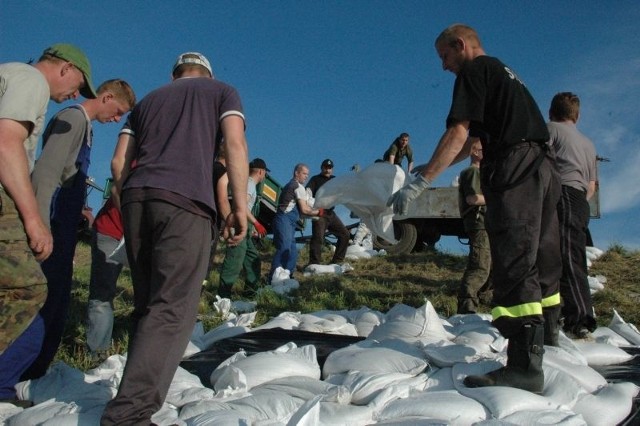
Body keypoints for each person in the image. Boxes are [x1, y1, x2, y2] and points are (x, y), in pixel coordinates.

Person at [388, 24, 561, 393]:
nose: (444, 67)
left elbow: (459, 131)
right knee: (543, 255)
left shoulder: (474, 71)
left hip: (515, 164)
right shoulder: (503, 73)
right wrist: (435, 165)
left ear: (460, 46)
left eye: (444, 56)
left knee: (514, 257)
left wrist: (422, 181)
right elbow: (471, 142)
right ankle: (549, 338)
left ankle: (524, 367)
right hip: (542, 167)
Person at [100, 52, 248, 425]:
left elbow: (119, 162)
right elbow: (234, 144)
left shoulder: (149, 101)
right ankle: (128, 415)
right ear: (208, 74)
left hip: (137, 199)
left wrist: (128, 197)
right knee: (172, 309)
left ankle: (131, 395)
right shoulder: (222, 92)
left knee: (148, 306)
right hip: (186, 203)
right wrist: (240, 206)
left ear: (174, 74)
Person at [0, 43, 95, 406]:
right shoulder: (31, 81)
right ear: (66, 68)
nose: (73, 95)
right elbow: (8, 145)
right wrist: (34, 220)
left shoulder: (9, 72)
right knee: (28, 288)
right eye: (78, 86)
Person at [23, 79, 135, 380]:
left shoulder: (87, 128)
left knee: (56, 300)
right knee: (42, 301)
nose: (115, 120)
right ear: (107, 96)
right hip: (52, 225)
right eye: (117, 112)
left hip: (64, 227)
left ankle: (34, 372)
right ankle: (15, 376)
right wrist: (40, 226)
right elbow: (46, 175)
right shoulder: (73, 118)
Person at [548, 92, 598, 342]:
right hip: (580, 200)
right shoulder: (588, 144)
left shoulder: (550, 130)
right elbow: (592, 185)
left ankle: (580, 319)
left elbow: (538, 163)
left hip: (562, 194)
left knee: (566, 258)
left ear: (551, 112)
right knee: (568, 256)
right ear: (577, 116)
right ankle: (563, 314)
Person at [84, 126, 133, 361]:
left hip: (141, 241)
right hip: (111, 232)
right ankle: (97, 354)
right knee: (102, 295)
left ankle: (138, 350)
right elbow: (116, 188)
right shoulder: (141, 161)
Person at [218, 158, 269, 298]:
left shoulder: (248, 184)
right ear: (261, 171)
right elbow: (242, 207)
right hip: (239, 226)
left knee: (254, 259)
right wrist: (256, 223)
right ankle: (222, 298)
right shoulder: (250, 185)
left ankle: (250, 294)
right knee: (234, 261)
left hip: (246, 228)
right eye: (265, 173)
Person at [269, 163, 325, 281]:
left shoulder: (290, 186)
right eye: (304, 173)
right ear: (296, 173)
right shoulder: (297, 187)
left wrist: (314, 214)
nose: (306, 177)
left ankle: (287, 276)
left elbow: (301, 212)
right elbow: (305, 209)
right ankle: (273, 278)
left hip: (288, 222)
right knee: (284, 248)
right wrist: (318, 212)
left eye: (307, 174)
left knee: (293, 252)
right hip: (284, 220)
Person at [456, 138, 492, 314]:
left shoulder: (481, 173)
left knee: (490, 265)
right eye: (482, 149)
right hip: (479, 224)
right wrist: (497, 197)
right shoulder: (472, 172)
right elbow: (473, 198)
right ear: (474, 152)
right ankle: (466, 306)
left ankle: (483, 300)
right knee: (480, 266)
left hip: (485, 224)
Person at [306, 159, 350, 265]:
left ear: (332, 169)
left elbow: (344, 189)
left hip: (330, 213)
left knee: (345, 234)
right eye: (325, 167)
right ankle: (314, 263)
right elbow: (308, 190)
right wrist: (308, 202)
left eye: (329, 168)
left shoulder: (335, 180)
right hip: (320, 213)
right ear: (321, 168)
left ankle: (337, 261)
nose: (327, 170)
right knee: (318, 238)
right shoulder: (315, 179)